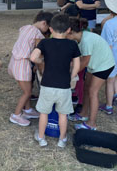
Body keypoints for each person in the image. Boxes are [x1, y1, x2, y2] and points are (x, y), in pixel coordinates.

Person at [30, 14, 80, 148]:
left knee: (44, 113)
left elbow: (33, 57)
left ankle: (41, 138)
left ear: (50, 29)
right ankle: (62, 140)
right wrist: (71, 77)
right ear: (69, 30)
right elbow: (76, 65)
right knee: (63, 114)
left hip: (47, 85)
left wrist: (42, 60)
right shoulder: (72, 44)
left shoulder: (45, 42)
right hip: (64, 86)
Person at [67, 18, 115, 130]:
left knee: (93, 92)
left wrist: (71, 75)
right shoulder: (81, 38)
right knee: (86, 88)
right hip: (95, 64)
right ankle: (83, 114)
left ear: (70, 31)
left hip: (104, 65)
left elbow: (84, 62)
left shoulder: (86, 41)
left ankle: (91, 123)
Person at [8, 11, 53, 126]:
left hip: (14, 61)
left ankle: (27, 110)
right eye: (48, 27)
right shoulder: (38, 34)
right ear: (44, 23)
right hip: (22, 63)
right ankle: (16, 115)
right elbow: (38, 52)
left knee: (27, 88)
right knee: (27, 92)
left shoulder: (26, 28)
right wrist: (41, 63)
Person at [99, 0, 117, 114]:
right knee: (114, 73)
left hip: (113, 56)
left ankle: (109, 106)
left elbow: (107, 46)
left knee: (109, 80)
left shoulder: (108, 24)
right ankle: (116, 94)